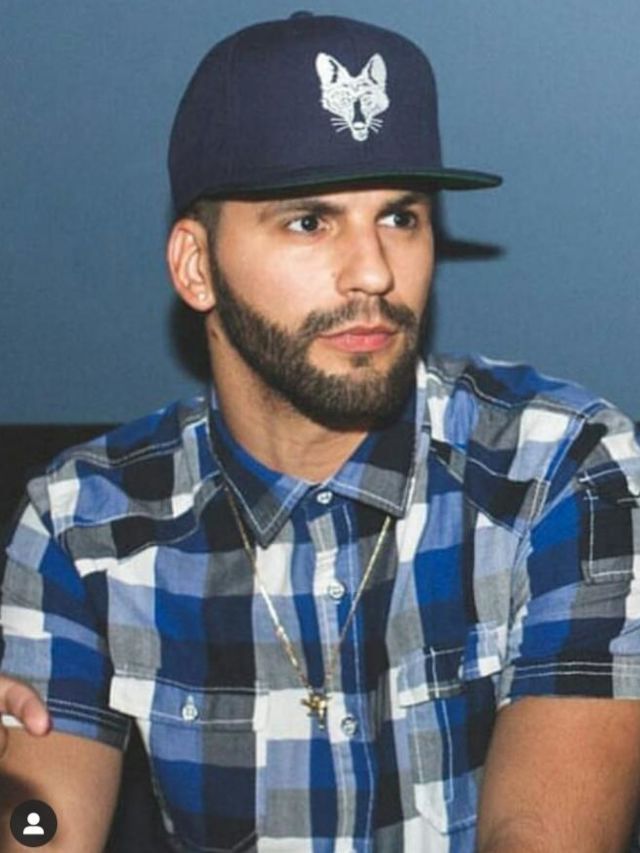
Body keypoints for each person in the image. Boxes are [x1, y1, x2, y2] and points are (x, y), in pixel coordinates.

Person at [1, 11, 640, 853]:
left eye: (401, 217)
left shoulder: (558, 467)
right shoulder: (83, 522)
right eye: (310, 221)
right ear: (196, 265)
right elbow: (39, 830)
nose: (374, 270)